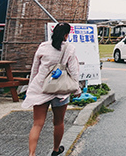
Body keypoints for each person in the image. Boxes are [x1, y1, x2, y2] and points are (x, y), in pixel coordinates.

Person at [22, 22, 81, 156]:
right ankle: (55, 150)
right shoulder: (70, 49)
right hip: (60, 90)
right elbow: (74, 72)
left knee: (37, 124)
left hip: (41, 88)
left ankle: (32, 154)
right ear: (66, 35)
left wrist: (30, 88)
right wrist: (77, 90)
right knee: (58, 122)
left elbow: (34, 70)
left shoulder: (43, 47)